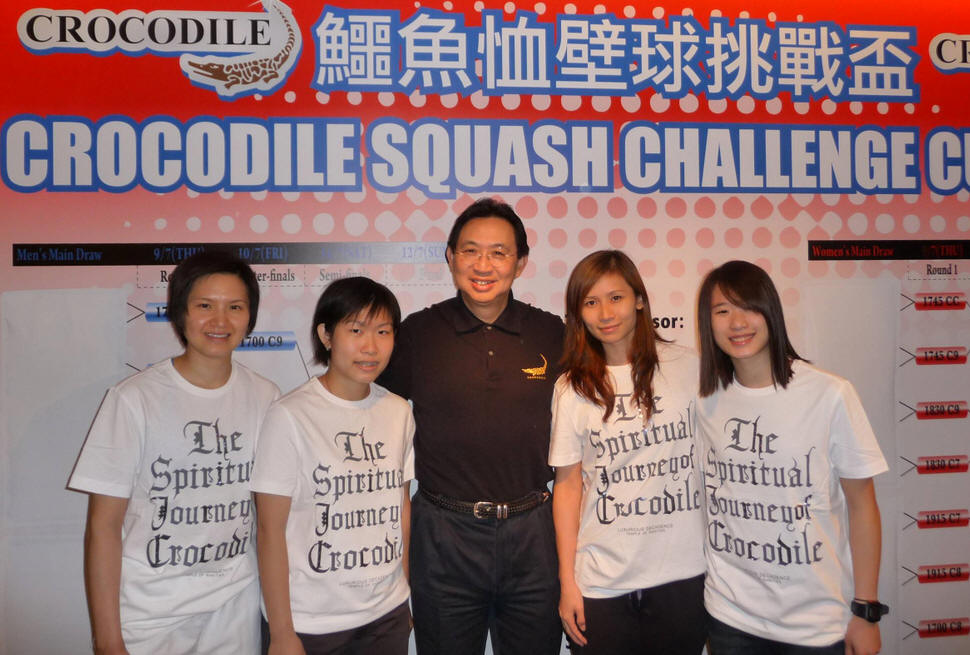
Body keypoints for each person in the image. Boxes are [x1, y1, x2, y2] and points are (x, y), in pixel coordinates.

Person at [377, 198, 564, 655]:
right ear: (450, 256)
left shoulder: (552, 333)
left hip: (533, 534)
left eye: (499, 253)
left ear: (521, 263)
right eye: (470, 251)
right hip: (444, 535)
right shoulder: (418, 333)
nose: (483, 265)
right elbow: (370, 413)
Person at [69, 250, 280, 654]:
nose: (220, 321)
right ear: (180, 312)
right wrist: (108, 640)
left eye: (235, 307)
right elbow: (103, 527)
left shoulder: (265, 396)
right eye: (205, 306)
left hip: (233, 609)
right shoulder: (133, 400)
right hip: (150, 615)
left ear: (250, 317)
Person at [695, 260, 888, 655]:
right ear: (707, 323)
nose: (737, 323)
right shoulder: (704, 400)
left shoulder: (830, 394)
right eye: (722, 311)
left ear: (770, 311)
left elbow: (862, 505)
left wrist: (866, 610)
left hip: (815, 625)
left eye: (748, 307)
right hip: (730, 618)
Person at [549, 250, 707, 654]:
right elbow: (567, 487)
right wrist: (568, 582)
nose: (605, 313)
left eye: (615, 297)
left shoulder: (689, 369)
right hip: (601, 582)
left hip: (683, 577)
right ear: (578, 313)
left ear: (639, 299)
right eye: (591, 302)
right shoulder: (571, 388)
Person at [251, 277, 414, 655]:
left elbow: (401, 507)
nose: (370, 346)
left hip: (386, 614)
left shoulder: (398, 411)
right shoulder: (290, 415)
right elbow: (269, 531)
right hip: (312, 621)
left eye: (383, 331)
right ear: (326, 335)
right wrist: (281, 632)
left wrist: (403, 593)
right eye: (356, 330)